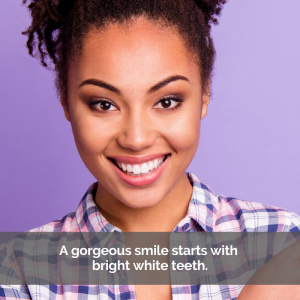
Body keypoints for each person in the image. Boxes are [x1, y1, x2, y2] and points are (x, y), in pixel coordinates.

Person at [1, 0, 300, 299]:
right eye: (104, 104)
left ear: (205, 93)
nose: (137, 138)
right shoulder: (19, 273)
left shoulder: (282, 244)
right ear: (66, 102)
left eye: (167, 101)